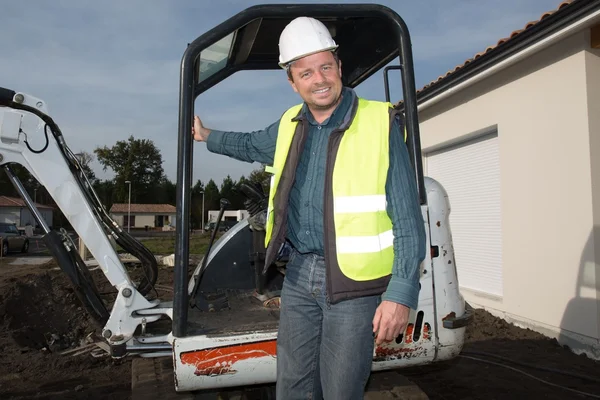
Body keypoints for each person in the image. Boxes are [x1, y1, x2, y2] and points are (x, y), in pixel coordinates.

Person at [193, 16, 426, 400]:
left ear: (338, 67)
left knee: (340, 390)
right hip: (299, 276)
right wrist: (207, 136)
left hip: (355, 288)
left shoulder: (378, 123)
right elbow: (250, 144)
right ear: (292, 81)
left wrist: (400, 293)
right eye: (306, 72)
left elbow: (406, 219)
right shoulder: (289, 124)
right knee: (293, 386)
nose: (319, 79)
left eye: (325, 67)